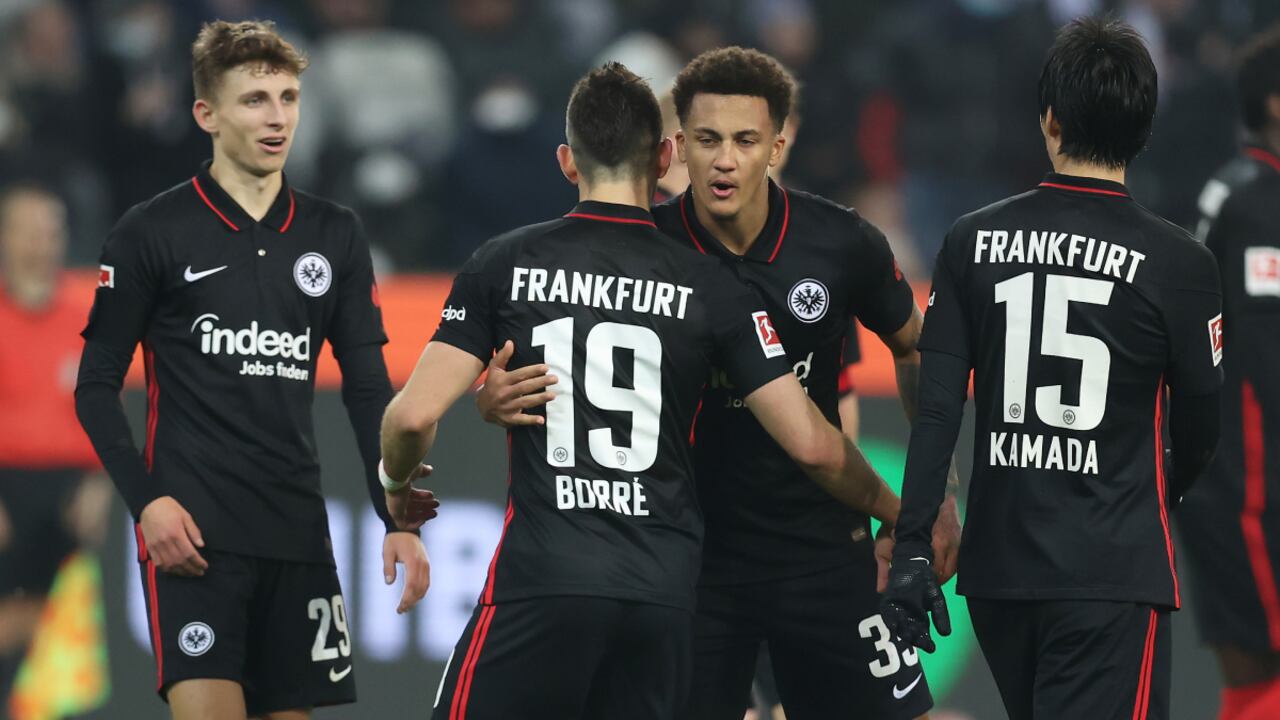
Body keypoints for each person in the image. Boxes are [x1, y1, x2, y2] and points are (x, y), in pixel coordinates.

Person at [379, 61, 901, 720]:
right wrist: (900, 509)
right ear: (664, 157)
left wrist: (397, 491)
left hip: (545, 581)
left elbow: (410, 417)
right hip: (666, 596)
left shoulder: (506, 263)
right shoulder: (713, 286)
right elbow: (814, 445)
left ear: (568, 162)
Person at [73, 20, 432, 720]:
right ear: (207, 114)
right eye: (255, 100)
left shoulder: (335, 234)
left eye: (288, 97)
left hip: (297, 536)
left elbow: (366, 391)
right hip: (195, 542)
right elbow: (94, 388)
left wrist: (400, 516)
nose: (277, 117)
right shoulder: (153, 231)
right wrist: (147, 504)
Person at [882, 17, 1223, 720]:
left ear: (1049, 121)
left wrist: (914, 548)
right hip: (1111, 572)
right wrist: (1155, 492)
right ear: (1144, 125)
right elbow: (1200, 430)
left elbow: (940, 407)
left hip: (1001, 576)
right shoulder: (1181, 264)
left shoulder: (971, 241)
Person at [1179, 24, 1280, 720]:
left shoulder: (1238, 189)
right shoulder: (1256, 204)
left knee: (1253, 665)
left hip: (1237, 479)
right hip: (1250, 482)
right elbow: (1265, 364)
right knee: (1263, 654)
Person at [0, 183, 109, 704]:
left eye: (51, 231)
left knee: (67, 634)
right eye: (29, 231)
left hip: (71, 493)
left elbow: (111, 411)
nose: (41, 244)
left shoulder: (86, 317)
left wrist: (100, 482)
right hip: (7, 488)